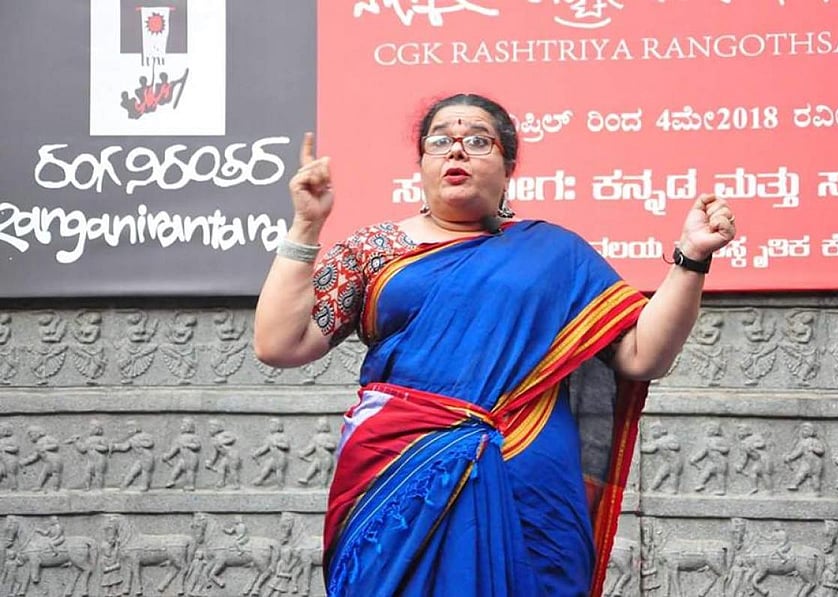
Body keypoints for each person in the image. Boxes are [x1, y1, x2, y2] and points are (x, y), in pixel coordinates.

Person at [254, 93, 736, 596]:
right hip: (395, 480)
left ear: (508, 167)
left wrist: (691, 260)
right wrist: (307, 225)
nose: (456, 152)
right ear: (421, 164)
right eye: (440, 141)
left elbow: (643, 356)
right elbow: (280, 344)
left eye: (477, 141)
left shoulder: (555, 253)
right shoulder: (371, 251)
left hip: (529, 488)